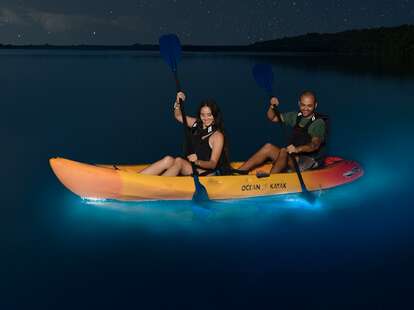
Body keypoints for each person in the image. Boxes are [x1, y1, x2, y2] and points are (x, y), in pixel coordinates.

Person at [139, 91, 230, 176]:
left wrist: (197, 161)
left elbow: (213, 164)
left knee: (179, 161)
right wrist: (178, 102)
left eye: (209, 114)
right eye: (203, 115)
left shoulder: (217, 136)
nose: (206, 118)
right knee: (168, 160)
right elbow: (178, 116)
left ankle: (156, 187)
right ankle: (136, 179)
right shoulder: (196, 124)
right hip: (192, 167)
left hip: (208, 173)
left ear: (215, 115)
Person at [238, 90, 326, 174]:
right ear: (299, 103)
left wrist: (297, 149)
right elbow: (272, 118)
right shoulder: (295, 116)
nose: (306, 108)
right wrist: (272, 107)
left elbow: (315, 145)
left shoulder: (318, 123)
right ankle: (239, 172)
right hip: (293, 158)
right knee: (268, 147)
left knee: (284, 150)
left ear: (315, 105)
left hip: (308, 161)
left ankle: (271, 179)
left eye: (309, 106)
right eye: (303, 105)